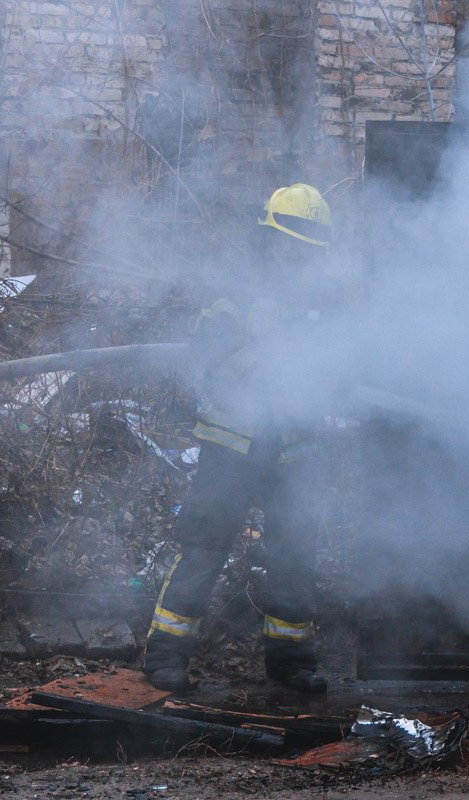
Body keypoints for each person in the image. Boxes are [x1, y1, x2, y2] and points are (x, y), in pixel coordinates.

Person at [143, 183, 332, 694]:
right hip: (232, 446)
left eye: (309, 247)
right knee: (204, 548)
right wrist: (262, 369)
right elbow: (204, 361)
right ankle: (166, 659)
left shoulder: (323, 299)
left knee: (293, 556)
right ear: (271, 238)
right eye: (292, 242)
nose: (298, 255)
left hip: (295, 450)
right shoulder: (235, 296)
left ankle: (291, 664)